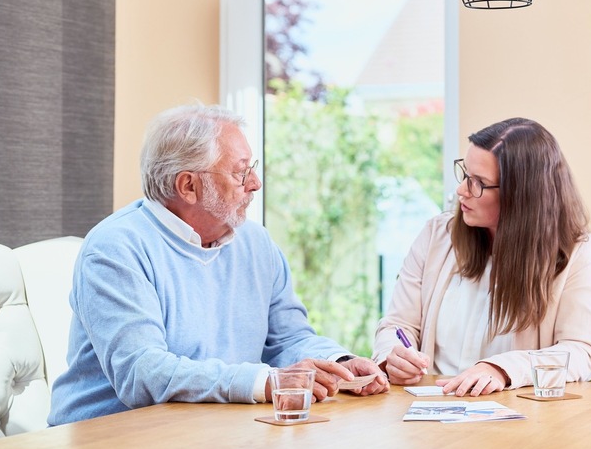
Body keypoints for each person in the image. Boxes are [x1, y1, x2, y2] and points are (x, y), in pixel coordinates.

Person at [49, 104, 387, 425]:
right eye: (241, 173)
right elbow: (142, 373)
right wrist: (265, 382)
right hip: (107, 442)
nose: (255, 183)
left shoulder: (256, 243)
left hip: (207, 432)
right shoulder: (115, 248)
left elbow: (288, 340)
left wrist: (338, 365)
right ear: (189, 186)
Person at [373, 117, 591, 396]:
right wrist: (392, 355)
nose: (461, 190)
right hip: (430, 413)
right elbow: (398, 325)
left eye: (478, 182)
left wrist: (502, 370)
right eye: (465, 174)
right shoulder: (436, 235)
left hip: (517, 421)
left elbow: (581, 351)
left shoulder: (574, 252)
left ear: (521, 196)